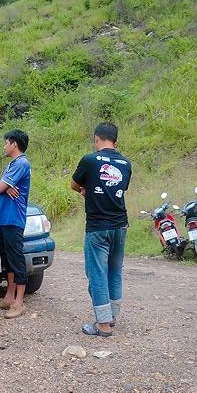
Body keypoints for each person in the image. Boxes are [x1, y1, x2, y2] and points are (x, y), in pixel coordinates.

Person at [70, 123, 132, 337]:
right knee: (115, 271)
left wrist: (85, 189)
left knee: (97, 273)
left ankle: (103, 325)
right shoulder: (126, 163)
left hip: (98, 227)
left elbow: (74, 184)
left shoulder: (89, 160)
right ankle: (111, 317)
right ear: (115, 140)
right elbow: (120, 189)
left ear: (97, 139)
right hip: (120, 225)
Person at [0, 129, 32, 319]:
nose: (4, 146)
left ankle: (19, 301)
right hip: (4, 218)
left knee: (16, 259)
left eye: (6, 143)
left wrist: (0, 188)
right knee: (7, 260)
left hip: (13, 219)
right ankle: (8, 296)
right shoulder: (13, 164)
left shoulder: (21, 163)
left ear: (14, 144)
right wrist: (2, 188)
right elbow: (0, 188)